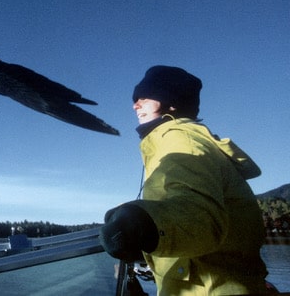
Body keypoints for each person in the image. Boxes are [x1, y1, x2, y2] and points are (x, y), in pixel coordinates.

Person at [99, 65, 268, 295]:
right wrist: (147, 246)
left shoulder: (181, 140)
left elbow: (201, 218)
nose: (135, 104)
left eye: (145, 97)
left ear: (171, 103)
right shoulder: (178, 140)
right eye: (136, 99)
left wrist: (143, 225)